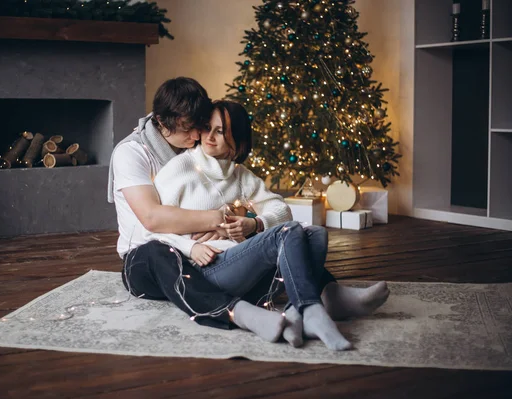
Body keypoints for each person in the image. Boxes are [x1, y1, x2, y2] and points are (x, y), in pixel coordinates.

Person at [144, 100, 390, 350]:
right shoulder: (179, 169)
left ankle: (299, 311)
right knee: (290, 232)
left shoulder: (239, 175)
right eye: (207, 127)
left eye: (220, 131)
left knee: (315, 233)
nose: (209, 136)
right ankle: (314, 308)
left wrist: (255, 224)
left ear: (236, 139)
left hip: (241, 265)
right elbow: (151, 230)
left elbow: (281, 209)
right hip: (205, 271)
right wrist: (188, 246)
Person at [108, 77, 286, 341]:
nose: (196, 137)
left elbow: (233, 193)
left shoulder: (195, 150)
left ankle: (323, 294)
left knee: (274, 244)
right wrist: (216, 220)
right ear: (161, 121)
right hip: (146, 259)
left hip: (202, 257)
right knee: (159, 253)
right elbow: (152, 219)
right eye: (187, 130)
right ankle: (234, 312)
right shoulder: (132, 153)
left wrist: (241, 224)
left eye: (198, 126)